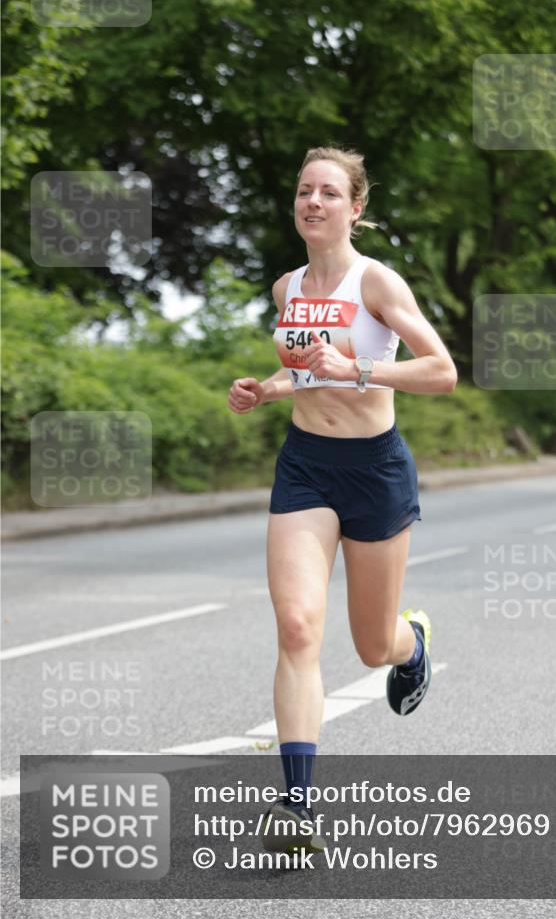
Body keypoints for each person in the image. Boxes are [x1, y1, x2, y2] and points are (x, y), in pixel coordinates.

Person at [227, 145, 457, 853]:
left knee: (368, 645)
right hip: (305, 467)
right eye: (304, 191)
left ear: (354, 207)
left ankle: (410, 641)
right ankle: (296, 807)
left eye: (329, 192)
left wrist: (358, 368)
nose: (313, 202)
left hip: (375, 470)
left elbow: (441, 371)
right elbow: (302, 368)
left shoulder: (375, 283)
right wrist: (268, 389)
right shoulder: (286, 288)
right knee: (297, 626)